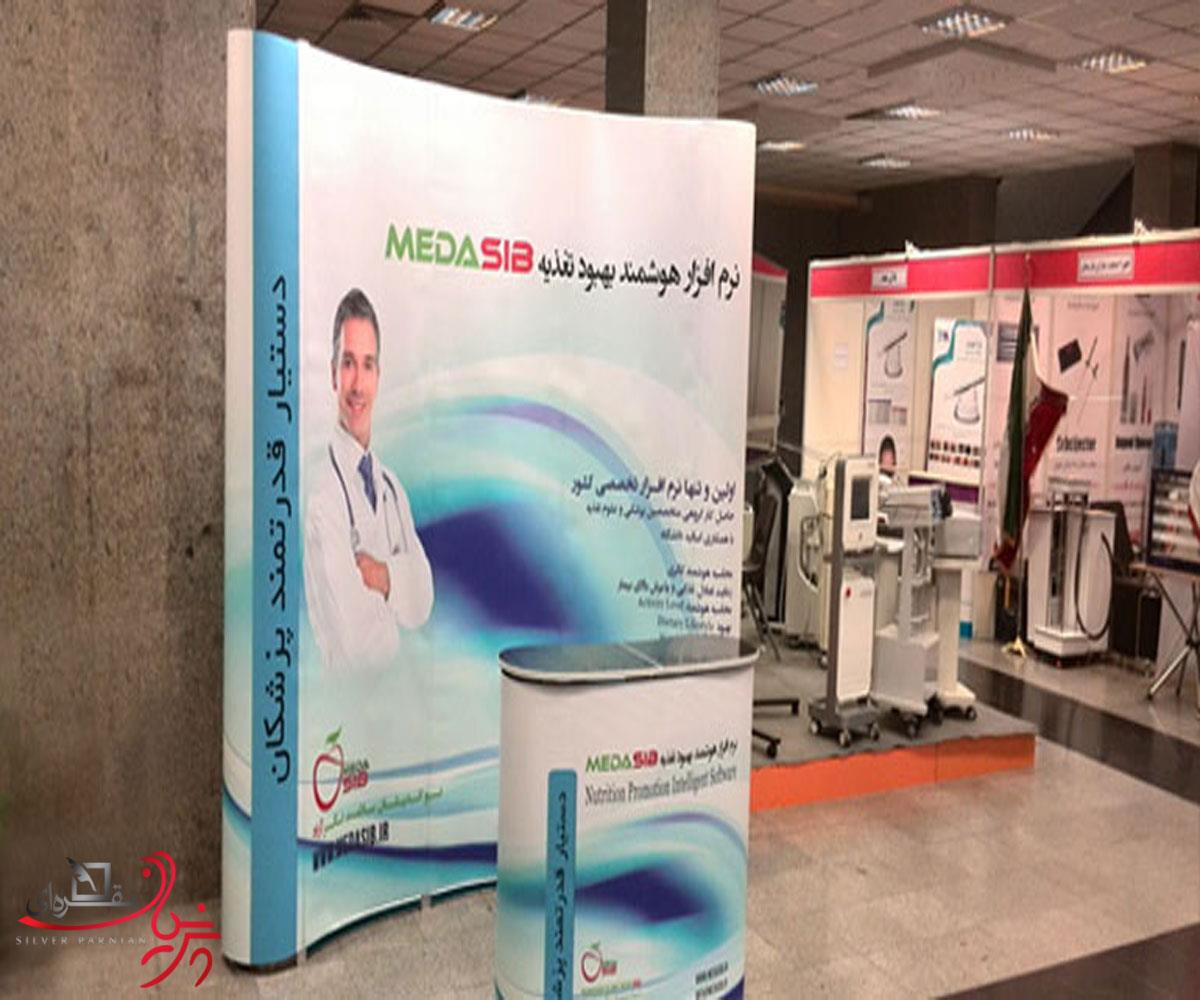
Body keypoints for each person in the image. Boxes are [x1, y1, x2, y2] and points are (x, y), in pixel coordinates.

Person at [304, 288, 433, 673]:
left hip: (398, 699)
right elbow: (358, 644)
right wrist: (400, 587)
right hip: (348, 702)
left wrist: (380, 575)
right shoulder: (323, 499)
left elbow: (424, 599)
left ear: (378, 376)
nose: (358, 385)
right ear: (332, 373)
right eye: (348, 364)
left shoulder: (391, 487)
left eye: (368, 365)